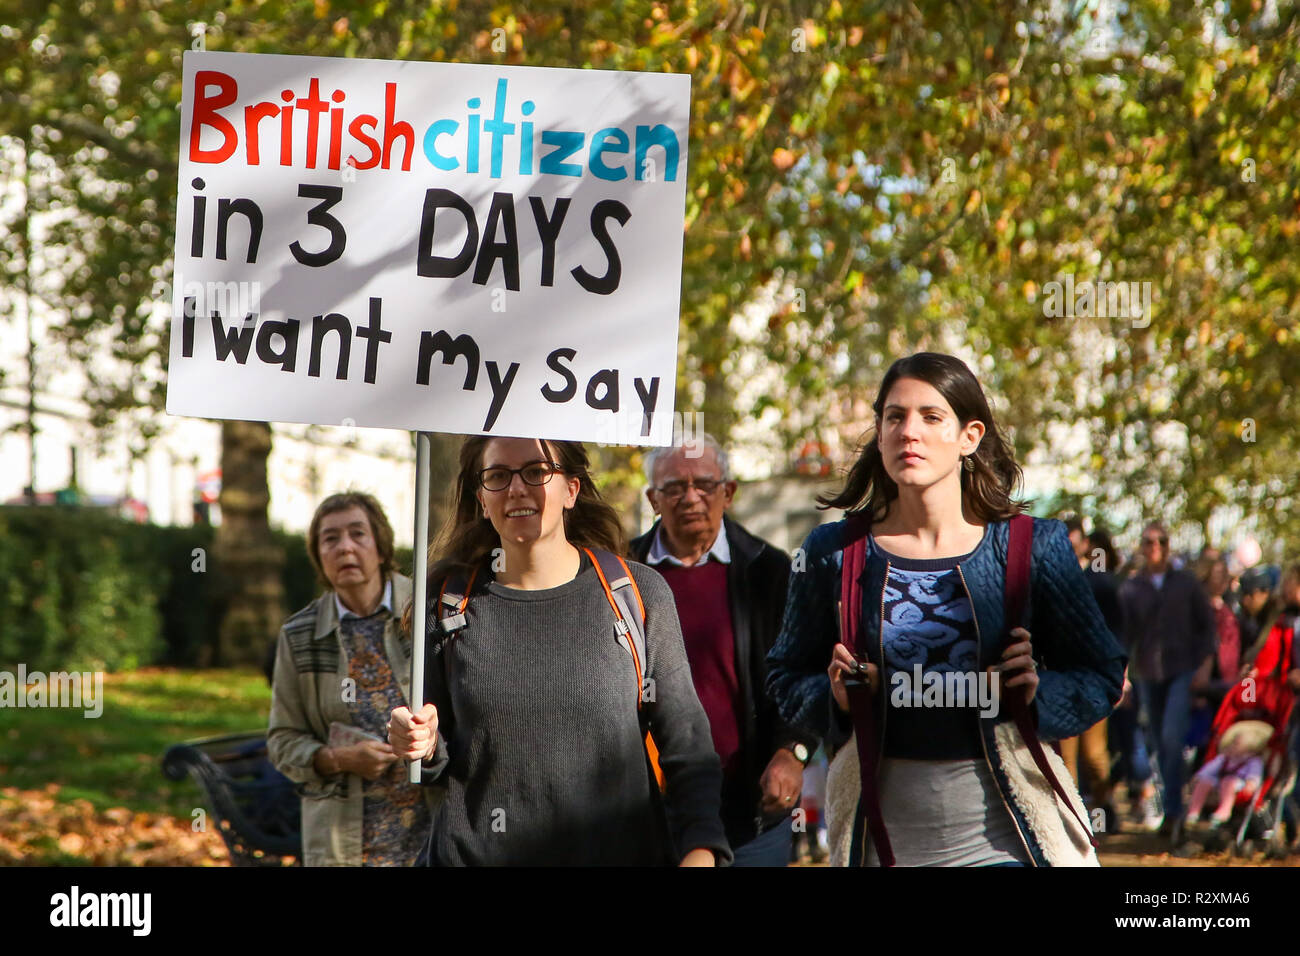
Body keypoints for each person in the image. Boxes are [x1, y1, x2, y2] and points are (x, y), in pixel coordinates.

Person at [766, 352, 1126, 867]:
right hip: (880, 841)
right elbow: (784, 675)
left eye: (931, 417)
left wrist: (1035, 692)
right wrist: (837, 698)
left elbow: (1102, 673)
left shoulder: (1031, 546)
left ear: (970, 436)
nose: (908, 431)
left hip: (1008, 839)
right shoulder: (832, 553)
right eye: (895, 416)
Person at [387, 436, 730, 866]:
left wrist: (701, 852)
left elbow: (688, 746)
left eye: (536, 471)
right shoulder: (447, 603)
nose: (516, 489)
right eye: (497, 476)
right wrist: (419, 741)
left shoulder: (636, 594)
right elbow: (435, 764)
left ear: (572, 489)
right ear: (481, 497)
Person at [629, 434, 817, 866]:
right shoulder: (621, 574)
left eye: (705, 485)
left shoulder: (769, 572)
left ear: (728, 493)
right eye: (674, 487)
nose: (690, 497)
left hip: (750, 811)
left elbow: (803, 674)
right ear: (653, 499)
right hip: (646, 809)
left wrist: (793, 752)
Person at [267, 492, 434, 866]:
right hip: (346, 843)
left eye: (358, 534)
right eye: (330, 539)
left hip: (432, 832)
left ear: (380, 546)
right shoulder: (300, 635)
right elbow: (282, 740)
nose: (345, 548)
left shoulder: (427, 611)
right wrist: (338, 758)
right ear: (319, 557)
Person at [1119, 521, 1217, 844]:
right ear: (1142, 547)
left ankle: (1176, 813)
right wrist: (1122, 675)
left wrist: (1205, 666)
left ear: (1168, 544)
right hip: (1147, 672)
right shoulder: (1132, 587)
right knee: (1159, 746)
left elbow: (1207, 628)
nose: (1154, 547)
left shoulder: (1186, 583)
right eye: (1148, 542)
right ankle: (1170, 811)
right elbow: (1125, 636)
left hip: (1181, 670)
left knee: (1173, 740)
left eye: (1160, 541)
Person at [1059, 518, 1123, 832]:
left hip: (1096, 677)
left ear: (1085, 545)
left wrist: (1121, 673)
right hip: (1061, 677)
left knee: (1095, 756)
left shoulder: (1101, 582)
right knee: (1065, 757)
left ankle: (1105, 810)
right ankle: (1074, 822)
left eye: (1075, 544)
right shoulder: (1052, 576)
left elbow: (1118, 631)